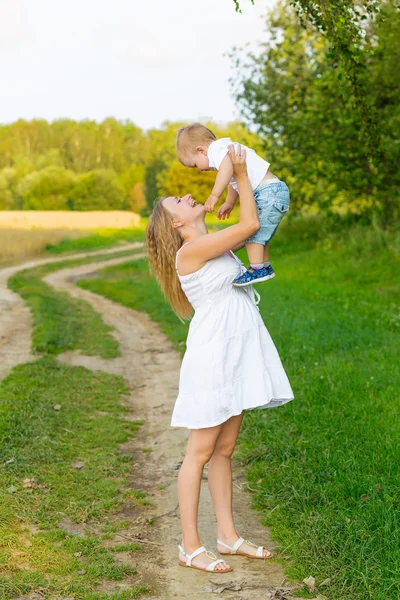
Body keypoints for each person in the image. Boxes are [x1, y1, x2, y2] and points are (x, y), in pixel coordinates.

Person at [146, 145, 294, 574]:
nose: (188, 196)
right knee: (200, 450)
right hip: (213, 357)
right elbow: (251, 223)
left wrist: (231, 190)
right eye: (178, 201)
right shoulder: (191, 252)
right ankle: (189, 546)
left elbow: (251, 233)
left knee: (225, 449)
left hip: (236, 353)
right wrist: (243, 175)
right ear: (176, 223)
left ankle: (228, 537)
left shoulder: (213, 245)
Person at [176, 123, 290, 287]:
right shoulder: (223, 152)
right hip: (272, 192)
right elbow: (232, 178)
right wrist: (229, 202)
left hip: (268, 192)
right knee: (260, 233)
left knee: (252, 234)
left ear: (201, 150)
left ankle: (257, 268)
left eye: (195, 165)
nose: (199, 170)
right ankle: (264, 266)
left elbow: (227, 171)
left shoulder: (217, 150)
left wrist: (214, 195)